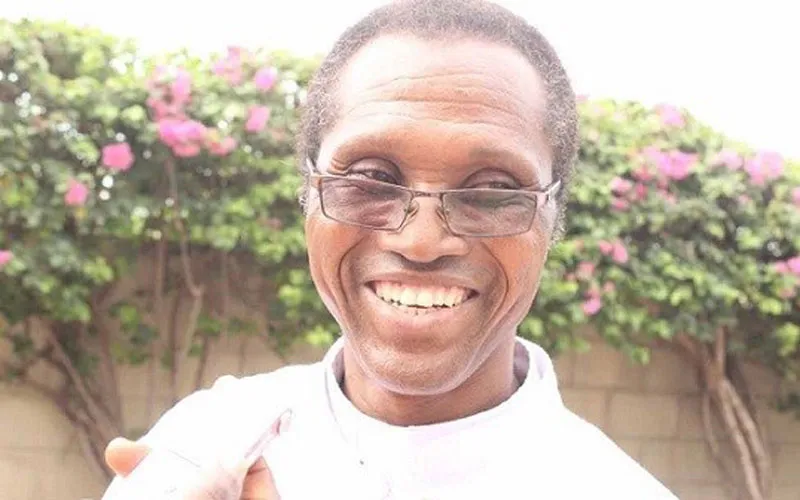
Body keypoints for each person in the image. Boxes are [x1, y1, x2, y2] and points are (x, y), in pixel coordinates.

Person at [104, 0, 678, 498]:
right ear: (308, 193)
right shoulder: (197, 452)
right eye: (372, 179)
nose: (421, 241)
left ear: (554, 218)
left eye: (492, 190)